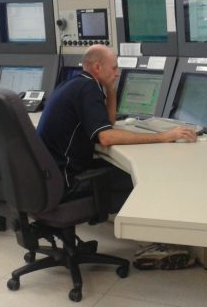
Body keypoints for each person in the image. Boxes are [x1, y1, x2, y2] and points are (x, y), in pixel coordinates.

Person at [37, 45, 197, 269]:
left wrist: (111, 90)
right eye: (114, 68)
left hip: (50, 177)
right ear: (97, 67)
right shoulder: (87, 89)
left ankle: (150, 241)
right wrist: (162, 136)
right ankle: (150, 247)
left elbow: (107, 123)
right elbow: (106, 137)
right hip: (67, 181)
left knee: (121, 169)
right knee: (140, 179)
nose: (118, 72)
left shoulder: (77, 83)